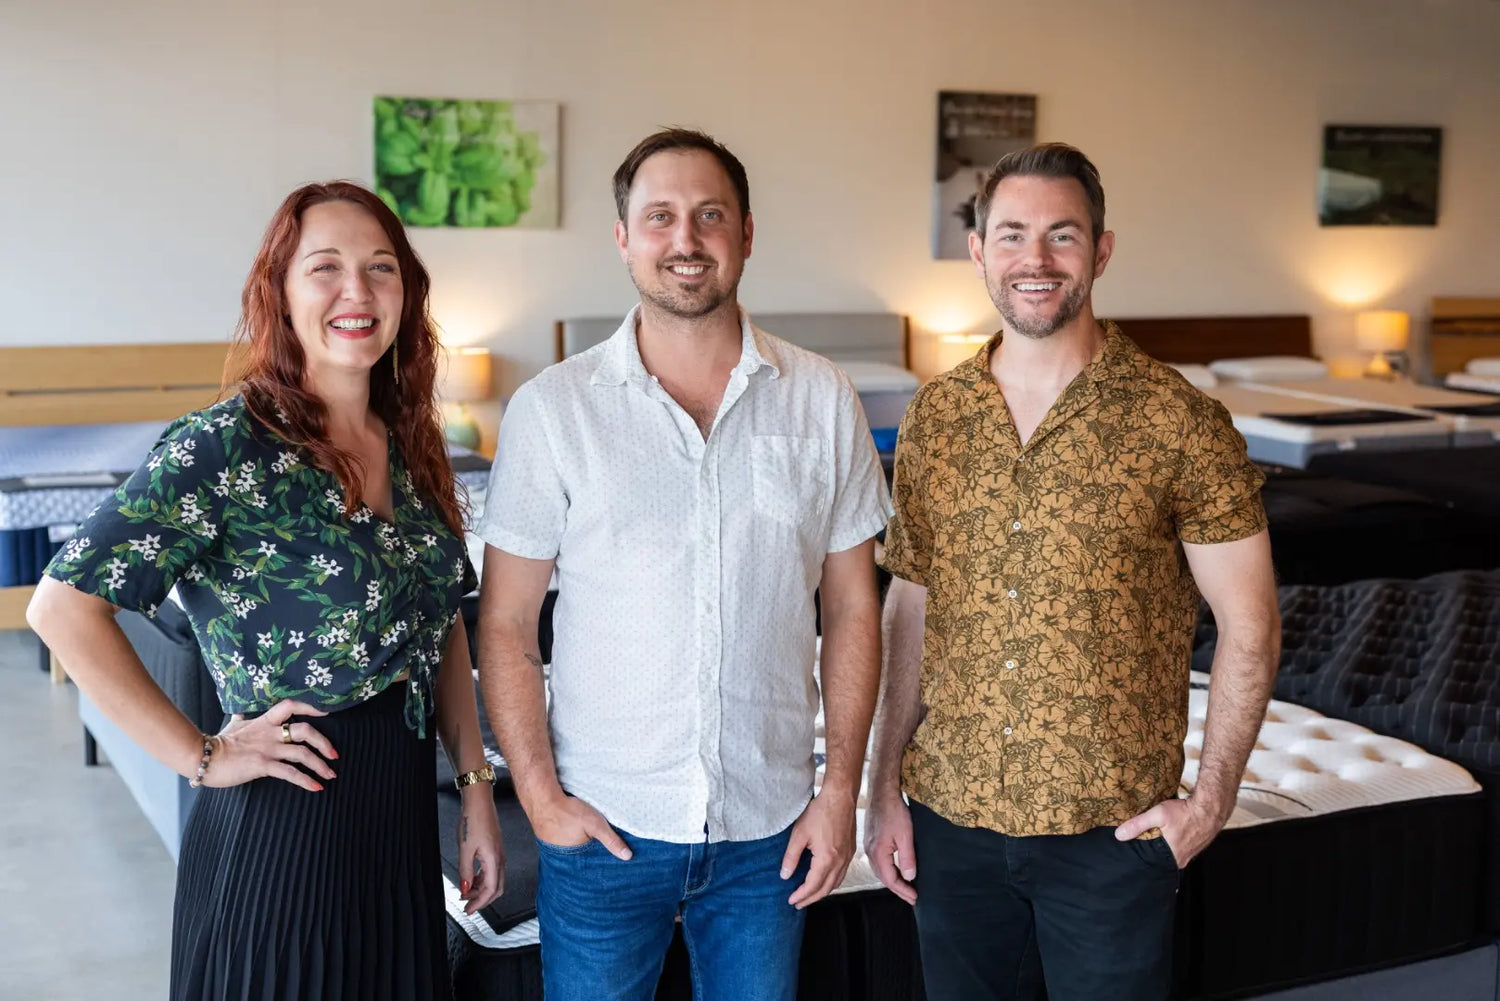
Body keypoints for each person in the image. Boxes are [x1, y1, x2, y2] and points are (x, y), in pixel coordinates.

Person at [27, 180, 503, 1001]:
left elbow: (444, 626)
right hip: (284, 836)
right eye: (325, 268)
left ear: (407, 292)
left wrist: (476, 787)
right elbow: (61, 606)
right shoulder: (226, 446)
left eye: (381, 267)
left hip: (395, 835)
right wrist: (203, 755)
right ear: (280, 293)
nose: (357, 292)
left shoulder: (410, 442)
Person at [475, 128, 890, 1001]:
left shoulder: (822, 398)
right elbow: (507, 621)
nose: (686, 239)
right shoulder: (554, 410)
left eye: (710, 215)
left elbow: (855, 608)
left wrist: (839, 791)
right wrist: (540, 798)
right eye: (659, 217)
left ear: (746, 232)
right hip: (604, 825)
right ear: (624, 237)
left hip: (769, 829)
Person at [863, 143, 1281, 1001]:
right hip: (951, 820)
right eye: (1012, 234)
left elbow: (1252, 623)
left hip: (1111, 839)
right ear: (979, 250)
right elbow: (911, 602)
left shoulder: (1178, 421)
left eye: (1063, 234)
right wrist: (883, 787)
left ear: (1102, 249)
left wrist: (1208, 803)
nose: (1037, 259)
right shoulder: (937, 415)